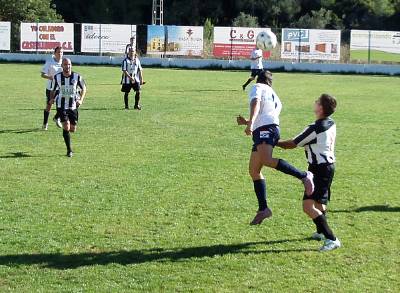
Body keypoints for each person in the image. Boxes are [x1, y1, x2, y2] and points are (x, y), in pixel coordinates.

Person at [237, 70, 314, 225]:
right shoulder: (275, 96)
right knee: (254, 171)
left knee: (266, 160)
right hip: (266, 129)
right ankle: (263, 209)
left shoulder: (257, 87)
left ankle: (304, 176)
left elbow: (256, 103)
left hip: (265, 130)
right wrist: (247, 121)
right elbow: (267, 115)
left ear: (259, 80)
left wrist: (250, 122)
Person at [277, 94, 340, 252]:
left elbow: (292, 144)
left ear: (321, 108)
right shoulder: (331, 122)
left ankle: (331, 239)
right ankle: (320, 232)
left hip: (319, 169)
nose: (315, 102)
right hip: (327, 167)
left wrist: (272, 142)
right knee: (319, 203)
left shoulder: (315, 128)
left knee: (307, 206)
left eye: (317, 101)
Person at [48, 58, 87, 157]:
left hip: (73, 106)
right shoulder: (57, 77)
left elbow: (84, 88)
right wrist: (52, 99)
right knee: (66, 126)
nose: (67, 66)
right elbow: (52, 90)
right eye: (65, 64)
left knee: (73, 129)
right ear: (62, 66)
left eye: (69, 64)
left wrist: (81, 100)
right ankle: (69, 150)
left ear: (71, 65)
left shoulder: (77, 76)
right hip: (61, 105)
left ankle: (59, 121)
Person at [41, 46, 63, 130]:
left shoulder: (63, 62)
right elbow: (42, 74)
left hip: (61, 88)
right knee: (49, 105)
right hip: (51, 88)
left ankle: (57, 118)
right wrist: (51, 77)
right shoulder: (50, 62)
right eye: (58, 52)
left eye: (61, 52)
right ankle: (45, 124)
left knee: (62, 105)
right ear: (54, 53)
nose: (60, 54)